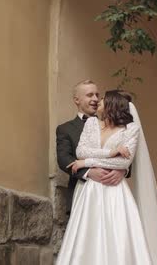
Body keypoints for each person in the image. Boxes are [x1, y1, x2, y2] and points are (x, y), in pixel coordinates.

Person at [56, 90, 157, 265]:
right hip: (89, 191)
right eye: (91, 95)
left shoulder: (131, 129)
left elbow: (123, 163)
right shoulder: (91, 123)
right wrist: (111, 152)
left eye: (100, 98)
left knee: (117, 235)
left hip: (115, 191)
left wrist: (86, 162)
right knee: (87, 235)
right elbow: (80, 151)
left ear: (112, 104)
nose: (97, 101)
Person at [56, 80, 129, 215]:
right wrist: (88, 173)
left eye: (97, 95)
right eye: (90, 95)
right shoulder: (65, 129)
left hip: (114, 193)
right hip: (83, 191)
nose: (95, 99)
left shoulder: (116, 126)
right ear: (76, 100)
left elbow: (128, 153)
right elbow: (64, 159)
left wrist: (123, 170)